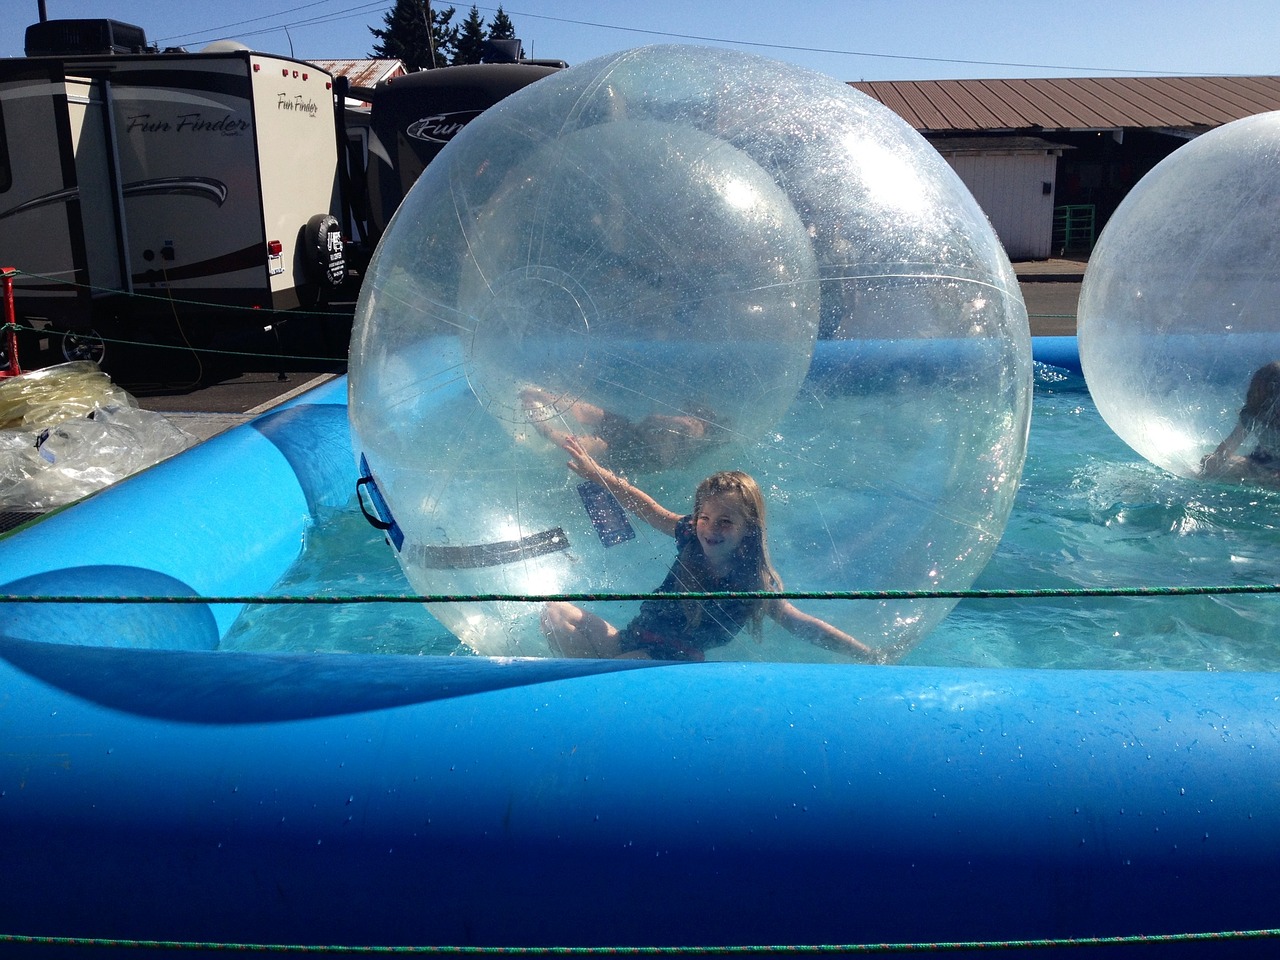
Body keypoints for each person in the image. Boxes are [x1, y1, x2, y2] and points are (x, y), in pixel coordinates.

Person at [540, 435, 876, 662]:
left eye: (726, 522)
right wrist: (598, 474)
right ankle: (603, 673)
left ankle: (603, 683)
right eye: (706, 517)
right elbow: (647, 508)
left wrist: (865, 654)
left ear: (748, 528)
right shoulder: (689, 534)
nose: (711, 528)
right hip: (635, 638)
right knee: (555, 614)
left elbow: (799, 622)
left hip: (672, 658)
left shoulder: (751, 581)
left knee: (612, 669)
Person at [521, 386, 721, 475]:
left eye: (699, 422)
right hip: (631, 430)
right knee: (591, 413)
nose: (691, 421)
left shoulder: (690, 448)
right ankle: (543, 396)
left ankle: (543, 429)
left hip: (634, 455)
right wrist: (672, 420)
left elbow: (668, 462)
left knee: (590, 445)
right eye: (693, 417)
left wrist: (685, 428)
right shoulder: (677, 428)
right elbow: (650, 420)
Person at [1200, 361, 1280, 485]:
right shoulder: (1252, 414)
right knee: (1208, 461)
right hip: (1261, 460)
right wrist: (1216, 459)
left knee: (1272, 480)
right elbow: (1231, 442)